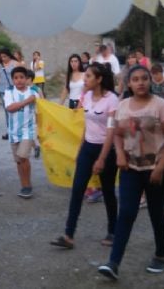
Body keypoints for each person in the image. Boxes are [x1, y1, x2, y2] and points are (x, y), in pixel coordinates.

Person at [97, 65, 164, 281]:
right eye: (135, 79)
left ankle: (161, 255)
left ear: (150, 81)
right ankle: (113, 263)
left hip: (156, 170)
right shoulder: (121, 106)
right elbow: (115, 132)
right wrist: (119, 154)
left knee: (155, 212)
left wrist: (160, 168)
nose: (140, 82)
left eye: (144, 78)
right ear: (129, 83)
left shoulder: (162, 106)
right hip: (130, 169)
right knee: (127, 212)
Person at [49, 63, 119, 249]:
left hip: (106, 151)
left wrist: (102, 159)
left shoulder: (112, 99)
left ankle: (113, 231)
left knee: (109, 191)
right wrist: (81, 149)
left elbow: (111, 131)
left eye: (88, 76)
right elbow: (86, 125)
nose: (84, 79)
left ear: (99, 79)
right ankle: (68, 235)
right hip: (88, 149)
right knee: (77, 190)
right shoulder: (86, 96)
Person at [4, 67, 39, 199]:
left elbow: (41, 108)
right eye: (16, 78)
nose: (19, 80)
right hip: (13, 132)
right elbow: (10, 108)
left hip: (28, 131)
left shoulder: (33, 92)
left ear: (26, 79)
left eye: (21, 77)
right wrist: (26, 101)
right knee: (19, 161)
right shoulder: (9, 92)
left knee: (23, 157)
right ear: (13, 80)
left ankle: (27, 185)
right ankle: (23, 184)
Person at [0, 48, 17, 140]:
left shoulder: (15, 64)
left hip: (14, 90)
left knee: (16, 110)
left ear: (9, 55)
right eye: (1, 57)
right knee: (7, 111)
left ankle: (16, 130)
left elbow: (23, 76)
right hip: (3, 92)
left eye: (4, 56)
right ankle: (9, 131)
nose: (3, 58)